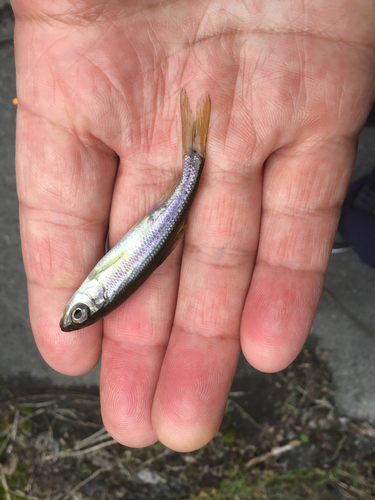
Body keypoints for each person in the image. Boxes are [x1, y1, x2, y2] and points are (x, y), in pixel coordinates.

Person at [11, 0, 375, 452]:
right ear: (94, 300)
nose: (75, 308)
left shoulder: (97, 288)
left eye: (77, 311)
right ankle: (194, 160)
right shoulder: (104, 288)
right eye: (80, 312)